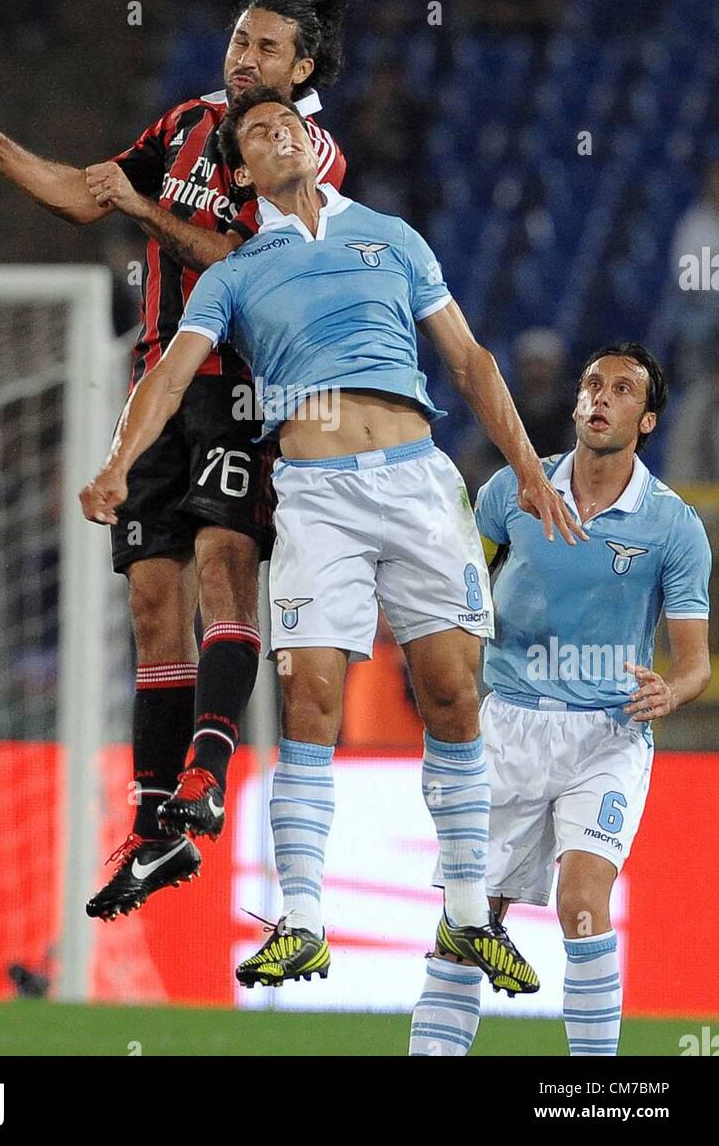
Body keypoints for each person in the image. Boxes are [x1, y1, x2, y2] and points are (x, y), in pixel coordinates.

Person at [80, 86, 583, 993]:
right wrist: (120, 462)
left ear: (315, 142)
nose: (279, 136)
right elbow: (166, 377)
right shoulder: (235, 272)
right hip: (313, 493)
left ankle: (470, 913)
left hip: (420, 480)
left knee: (452, 698)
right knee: (312, 700)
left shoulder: (393, 236)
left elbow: (469, 359)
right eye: (258, 135)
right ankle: (303, 918)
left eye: (288, 125)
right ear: (242, 171)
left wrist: (532, 468)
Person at [0, 0, 347, 921]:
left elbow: (249, 261)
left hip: (242, 387)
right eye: (239, 38)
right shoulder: (188, 123)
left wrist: (142, 212)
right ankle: (157, 825)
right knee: (152, 601)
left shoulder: (303, 152)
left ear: (302, 68)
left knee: (219, 566)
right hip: (160, 385)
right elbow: (89, 195)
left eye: (267, 47)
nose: (243, 57)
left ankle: (206, 774)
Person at [413, 344, 711, 1056]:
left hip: (605, 737)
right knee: (465, 926)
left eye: (622, 390)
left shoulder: (671, 526)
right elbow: (456, 585)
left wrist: (672, 690)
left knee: (582, 906)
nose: (600, 397)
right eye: (592, 384)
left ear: (647, 421)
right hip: (508, 728)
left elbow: (696, 661)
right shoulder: (511, 493)